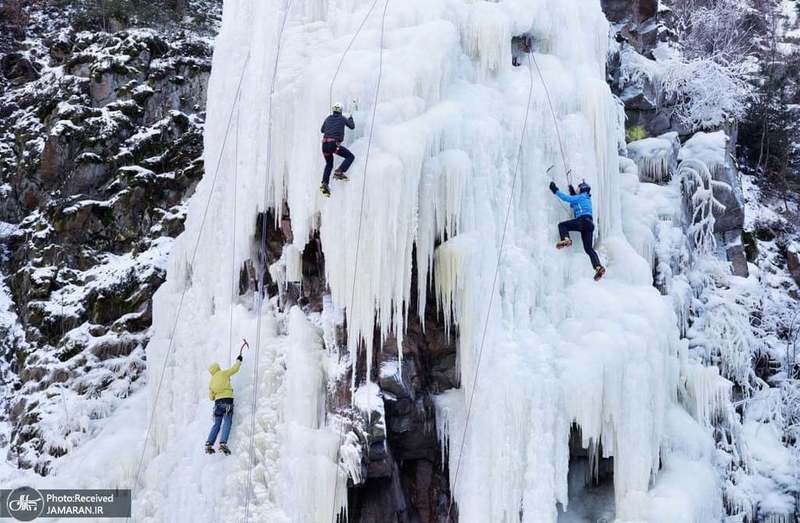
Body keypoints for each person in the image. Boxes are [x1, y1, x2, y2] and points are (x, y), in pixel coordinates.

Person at [549, 180, 606, 281]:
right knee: (589, 249)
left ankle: (566, 239)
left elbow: (567, 199)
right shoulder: (586, 198)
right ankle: (598, 267)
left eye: (578, 188)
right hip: (589, 225)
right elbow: (575, 204)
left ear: (582, 188)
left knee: (562, 225)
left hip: (582, 221)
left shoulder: (581, 196)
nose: (577, 189)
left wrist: (555, 190)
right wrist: (573, 193)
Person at [205, 353, 243, 455]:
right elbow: (234, 369)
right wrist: (238, 360)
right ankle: (223, 443)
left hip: (217, 404)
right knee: (227, 421)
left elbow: (211, 397)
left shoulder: (211, 381)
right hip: (227, 401)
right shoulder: (223, 373)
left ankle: (209, 443)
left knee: (217, 424)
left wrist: (217, 393)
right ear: (218, 368)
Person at [319, 102, 355, 197]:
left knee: (329, 164)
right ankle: (339, 171)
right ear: (341, 111)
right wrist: (351, 119)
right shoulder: (342, 118)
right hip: (333, 144)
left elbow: (322, 130)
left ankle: (324, 184)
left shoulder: (328, 118)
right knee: (350, 156)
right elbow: (352, 126)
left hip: (324, 145)